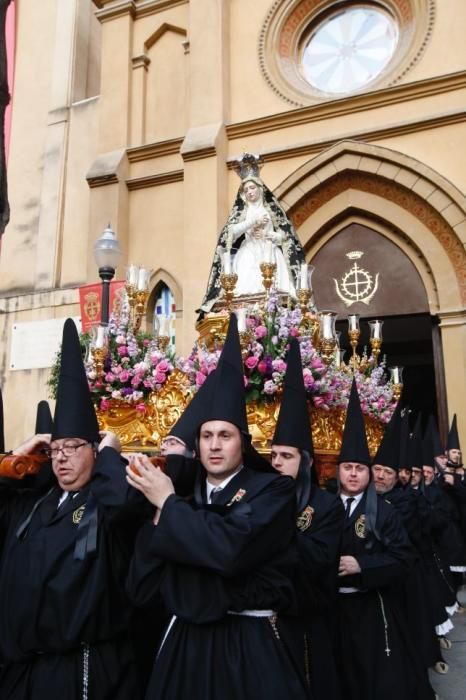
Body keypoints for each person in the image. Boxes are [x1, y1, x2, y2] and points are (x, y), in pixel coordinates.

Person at [126, 314, 308, 700]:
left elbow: (230, 550)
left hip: (248, 646)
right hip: (184, 644)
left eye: (224, 435)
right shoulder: (185, 493)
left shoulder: (271, 490)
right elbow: (143, 587)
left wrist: (169, 509)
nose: (214, 445)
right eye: (206, 435)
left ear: (242, 442)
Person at [0, 319, 145, 699]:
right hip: (24, 669)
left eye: (74, 447)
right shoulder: (35, 504)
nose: (62, 458)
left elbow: (127, 501)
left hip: (82, 670)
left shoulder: (106, 504)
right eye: (56, 449)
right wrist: (18, 455)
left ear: (94, 451)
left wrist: (111, 454)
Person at [271, 338, 344, 700]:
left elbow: (319, 560)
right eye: (274, 456)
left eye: (287, 456)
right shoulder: (262, 500)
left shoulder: (327, 507)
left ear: (307, 462)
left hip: (310, 622)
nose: (278, 463)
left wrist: (274, 534)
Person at [336, 379, 418, 700]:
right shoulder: (324, 508)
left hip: (370, 609)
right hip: (330, 609)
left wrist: (363, 564)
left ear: (368, 473)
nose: (354, 474)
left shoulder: (384, 512)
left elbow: (404, 558)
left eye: (360, 468)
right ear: (338, 470)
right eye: (347, 467)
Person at [198, 153, 305, 315]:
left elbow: (286, 236)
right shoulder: (242, 212)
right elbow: (231, 233)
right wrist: (252, 221)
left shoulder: (271, 210)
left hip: (270, 252)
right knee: (242, 293)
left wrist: (273, 236)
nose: (249, 192)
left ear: (260, 189)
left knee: (279, 293)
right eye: (246, 189)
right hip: (248, 252)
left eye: (252, 188)